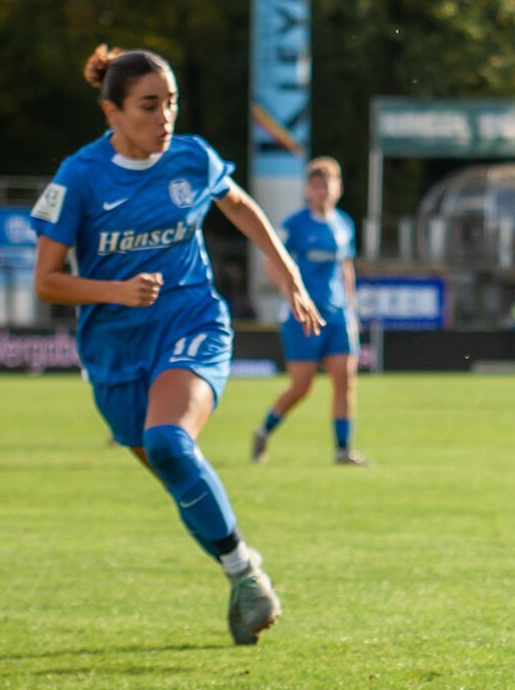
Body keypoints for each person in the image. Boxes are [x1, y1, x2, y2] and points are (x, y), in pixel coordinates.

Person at [31, 44, 322, 645]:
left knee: (169, 440)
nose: (164, 117)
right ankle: (239, 572)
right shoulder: (79, 177)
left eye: (171, 103)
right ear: (111, 112)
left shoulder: (191, 157)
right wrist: (115, 292)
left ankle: (247, 578)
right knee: (172, 469)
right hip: (113, 349)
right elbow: (47, 282)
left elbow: (241, 209)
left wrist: (289, 276)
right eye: (148, 105)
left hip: (192, 320)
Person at [251, 157, 367, 467]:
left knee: (346, 380)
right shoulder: (294, 225)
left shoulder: (344, 224)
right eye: (316, 185)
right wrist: (293, 297)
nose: (323, 190)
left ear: (338, 188)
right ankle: (263, 431)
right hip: (302, 317)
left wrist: (352, 311)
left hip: (338, 315)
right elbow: (270, 264)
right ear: (307, 190)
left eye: (328, 184)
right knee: (301, 387)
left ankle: (343, 449)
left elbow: (346, 268)